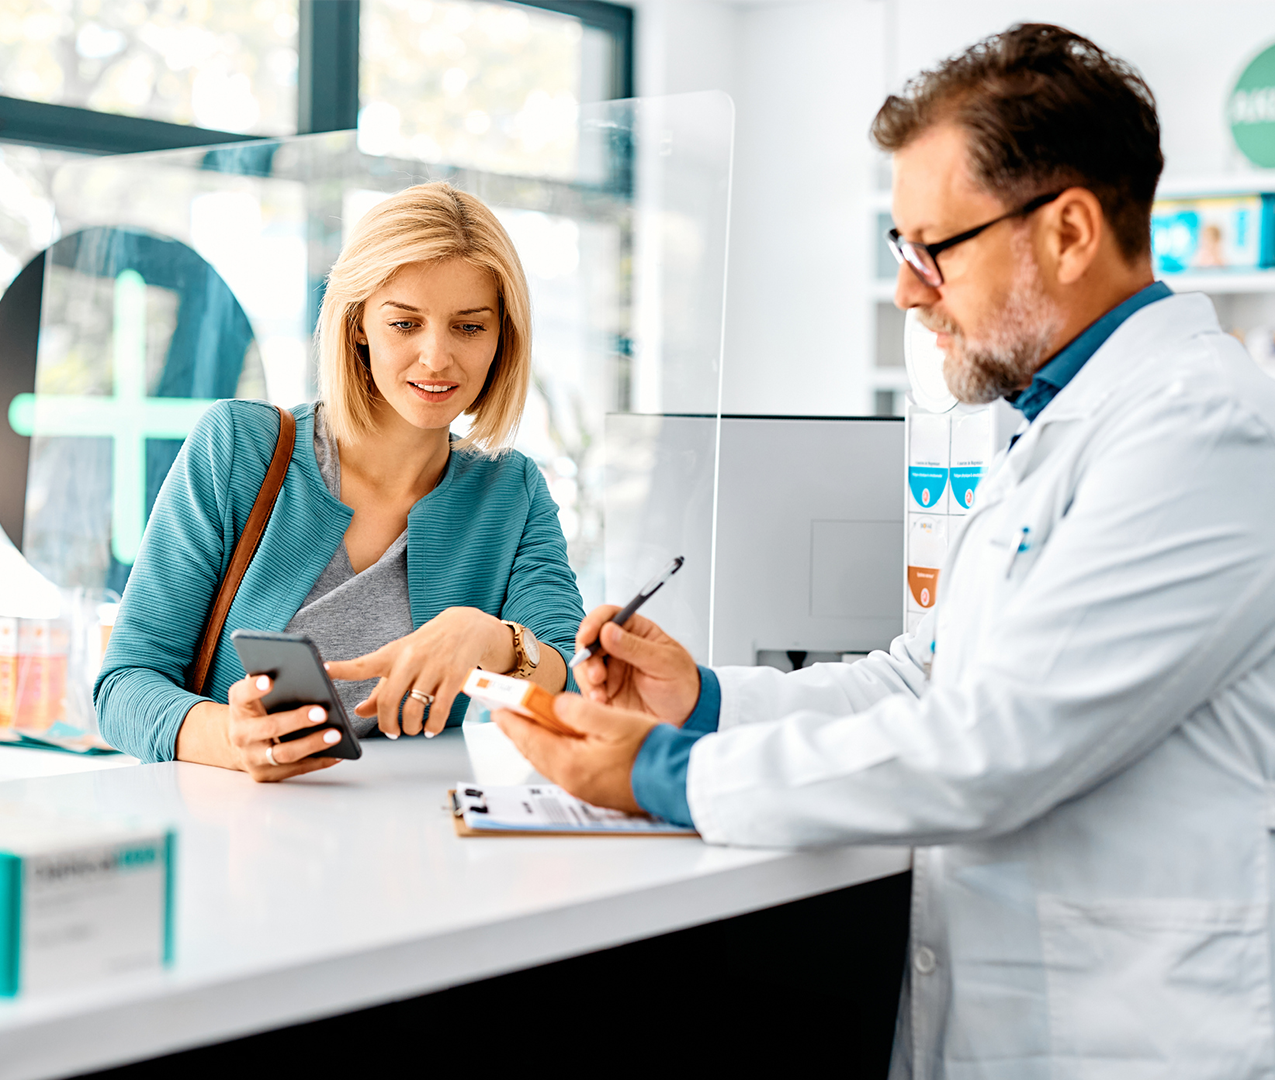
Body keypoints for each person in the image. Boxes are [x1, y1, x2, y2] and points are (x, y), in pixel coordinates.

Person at [493, 24, 1275, 1076]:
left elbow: (998, 745)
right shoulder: (1052, 422)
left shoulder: (1207, 431)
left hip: (1134, 1036)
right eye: (900, 252)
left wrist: (665, 774)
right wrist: (703, 703)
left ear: (1071, 232)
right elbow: (929, 680)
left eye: (932, 248)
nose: (910, 290)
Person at [96, 182, 584, 780]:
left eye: (469, 327)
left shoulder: (512, 493)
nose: (436, 357)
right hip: (242, 834)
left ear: (501, 336)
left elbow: (572, 683)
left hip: (416, 845)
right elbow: (122, 686)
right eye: (405, 324)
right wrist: (234, 738)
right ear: (358, 325)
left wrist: (490, 640)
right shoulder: (238, 449)